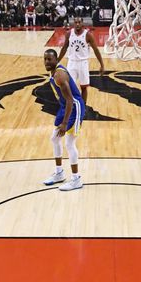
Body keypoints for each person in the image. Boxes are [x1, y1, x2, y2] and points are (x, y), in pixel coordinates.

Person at [42, 49, 85, 191]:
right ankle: (59, 173)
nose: (47, 62)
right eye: (45, 59)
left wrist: (65, 123)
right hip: (64, 106)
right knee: (54, 138)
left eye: (50, 59)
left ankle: (76, 179)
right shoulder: (53, 73)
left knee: (69, 143)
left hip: (74, 106)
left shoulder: (60, 75)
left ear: (56, 60)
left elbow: (70, 99)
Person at [57, 17, 104, 103]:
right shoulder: (69, 34)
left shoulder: (88, 35)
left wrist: (102, 64)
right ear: (73, 23)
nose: (77, 24)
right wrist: (57, 61)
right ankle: (71, 106)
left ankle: (83, 107)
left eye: (79, 22)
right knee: (69, 87)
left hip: (83, 63)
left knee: (84, 87)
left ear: (82, 23)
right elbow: (64, 48)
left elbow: (96, 50)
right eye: (76, 22)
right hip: (71, 62)